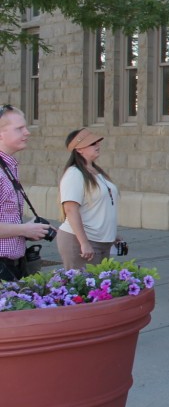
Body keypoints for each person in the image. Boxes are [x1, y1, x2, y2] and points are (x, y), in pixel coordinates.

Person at [0, 105, 52, 281]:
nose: (27, 132)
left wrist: (30, 230)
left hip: (12, 267)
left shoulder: (8, 166)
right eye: (19, 128)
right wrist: (25, 229)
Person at [56, 129, 120, 270]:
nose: (97, 145)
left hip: (101, 240)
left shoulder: (95, 171)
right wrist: (84, 243)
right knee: (85, 289)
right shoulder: (74, 174)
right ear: (79, 149)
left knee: (100, 288)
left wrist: (111, 233)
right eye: (92, 143)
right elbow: (70, 209)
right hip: (81, 240)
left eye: (97, 142)